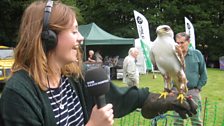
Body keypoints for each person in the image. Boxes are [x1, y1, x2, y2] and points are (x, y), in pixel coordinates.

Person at [0, 1, 198, 126]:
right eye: (74, 31)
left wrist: (162, 100)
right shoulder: (19, 94)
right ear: (47, 37)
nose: (81, 39)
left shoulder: (78, 76)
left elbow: (122, 98)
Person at [173, 32, 208, 126]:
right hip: (177, 92)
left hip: (193, 92)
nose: (179, 45)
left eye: (182, 42)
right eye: (177, 43)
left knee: (196, 120)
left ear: (188, 41)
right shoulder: (173, 56)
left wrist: (198, 88)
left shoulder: (197, 54)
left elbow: (204, 74)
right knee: (177, 121)